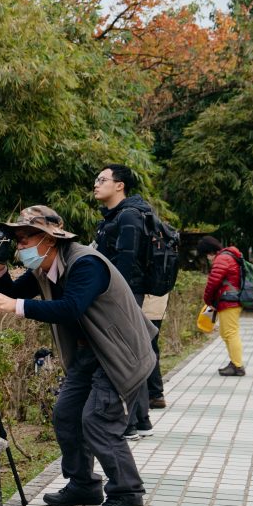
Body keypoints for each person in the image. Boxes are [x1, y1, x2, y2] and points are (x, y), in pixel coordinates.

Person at [0, 205, 157, 506]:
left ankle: (128, 494)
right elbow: (10, 290)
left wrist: (17, 307)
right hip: (90, 353)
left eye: (25, 238)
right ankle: (83, 484)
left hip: (119, 352)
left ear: (49, 239)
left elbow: (70, 307)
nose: (20, 246)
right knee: (66, 414)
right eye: (17, 240)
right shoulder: (47, 266)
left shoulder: (84, 264)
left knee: (98, 420)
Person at [92, 164, 167, 440]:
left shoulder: (129, 217)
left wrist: (113, 297)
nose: (96, 184)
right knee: (133, 353)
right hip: (124, 294)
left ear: (119, 185)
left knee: (125, 357)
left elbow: (126, 261)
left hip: (124, 294)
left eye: (102, 180)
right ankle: (141, 420)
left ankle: (130, 425)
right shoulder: (117, 216)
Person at [197, 236, 246, 376]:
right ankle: (234, 363)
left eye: (206, 254)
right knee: (226, 333)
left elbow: (213, 282)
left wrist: (207, 300)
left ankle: (238, 366)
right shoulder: (227, 256)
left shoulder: (222, 259)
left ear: (209, 251)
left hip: (229, 300)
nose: (207, 257)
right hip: (228, 301)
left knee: (230, 333)